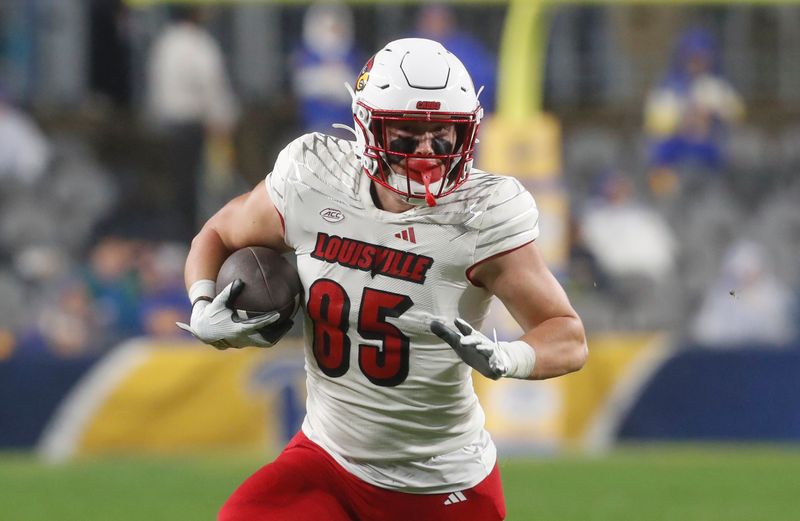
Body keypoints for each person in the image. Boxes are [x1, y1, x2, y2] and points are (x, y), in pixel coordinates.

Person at [178, 39, 587, 521]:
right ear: (368, 127)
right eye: (408, 134)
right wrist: (202, 303)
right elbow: (219, 233)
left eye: (443, 136)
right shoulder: (315, 179)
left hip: (440, 482)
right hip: (327, 459)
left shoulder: (481, 215)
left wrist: (506, 356)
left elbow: (568, 335)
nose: (426, 153)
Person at [145, 5, 240, 242]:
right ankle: (196, 240)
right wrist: (223, 118)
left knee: (174, 188)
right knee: (202, 187)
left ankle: (177, 239)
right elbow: (212, 85)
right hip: (194, 126)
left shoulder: (164, 43)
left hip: (167, 127)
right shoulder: (199, 43)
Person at [644, 28, 743, 196]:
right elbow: (656, 124)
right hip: (674, 150)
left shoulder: (717, 86)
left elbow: (737, 114)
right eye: (693, 58)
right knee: (658, 161)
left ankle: (722, 192)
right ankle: (666, 197)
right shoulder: (668, 87)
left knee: (736, 156)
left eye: (702, 58)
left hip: (710, 147)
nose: (698, 63)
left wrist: (711, 114)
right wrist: (684, 117)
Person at [291, 1, 362, 134]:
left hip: (347, 128)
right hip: (314, 127)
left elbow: (354, 90)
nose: (331, 34)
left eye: (335, 28)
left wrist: (328, 80)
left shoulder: (352, 55)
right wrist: (335, 79)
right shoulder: (305, 55)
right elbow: (304, 85)